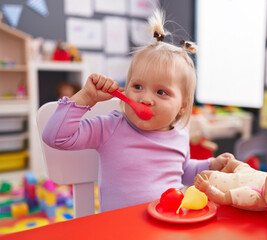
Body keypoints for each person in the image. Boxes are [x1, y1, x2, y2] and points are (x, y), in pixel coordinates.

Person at [42, 10, 231, 213]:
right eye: (138, 87)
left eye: (161, 92)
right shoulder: (110, 127)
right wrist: (86, 98)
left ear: (182, 106)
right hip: (119, 229)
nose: (145, 99)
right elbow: (55, 137)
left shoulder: (180, 135)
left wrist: (210, 165)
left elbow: (183, 171)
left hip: (167, 226)